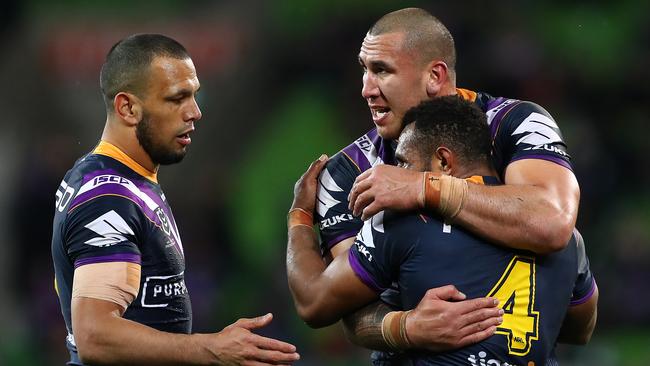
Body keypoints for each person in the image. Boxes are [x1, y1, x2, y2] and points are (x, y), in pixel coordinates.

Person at [287, 6, 585, 360]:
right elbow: (343, 306)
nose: (366, 89)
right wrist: (406, 328)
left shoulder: (516, 123)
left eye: (382, 70)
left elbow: (552, 224)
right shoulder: (347, 172)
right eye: (364, 70)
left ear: (435, 75)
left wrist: (425, 188)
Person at [51, 34, 299, 365]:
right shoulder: (109, 197)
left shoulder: (125, 179)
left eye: (194, 95)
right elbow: (94, 336)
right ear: (128, 107)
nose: (194, 112)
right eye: (176, 98)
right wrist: (210, 349)